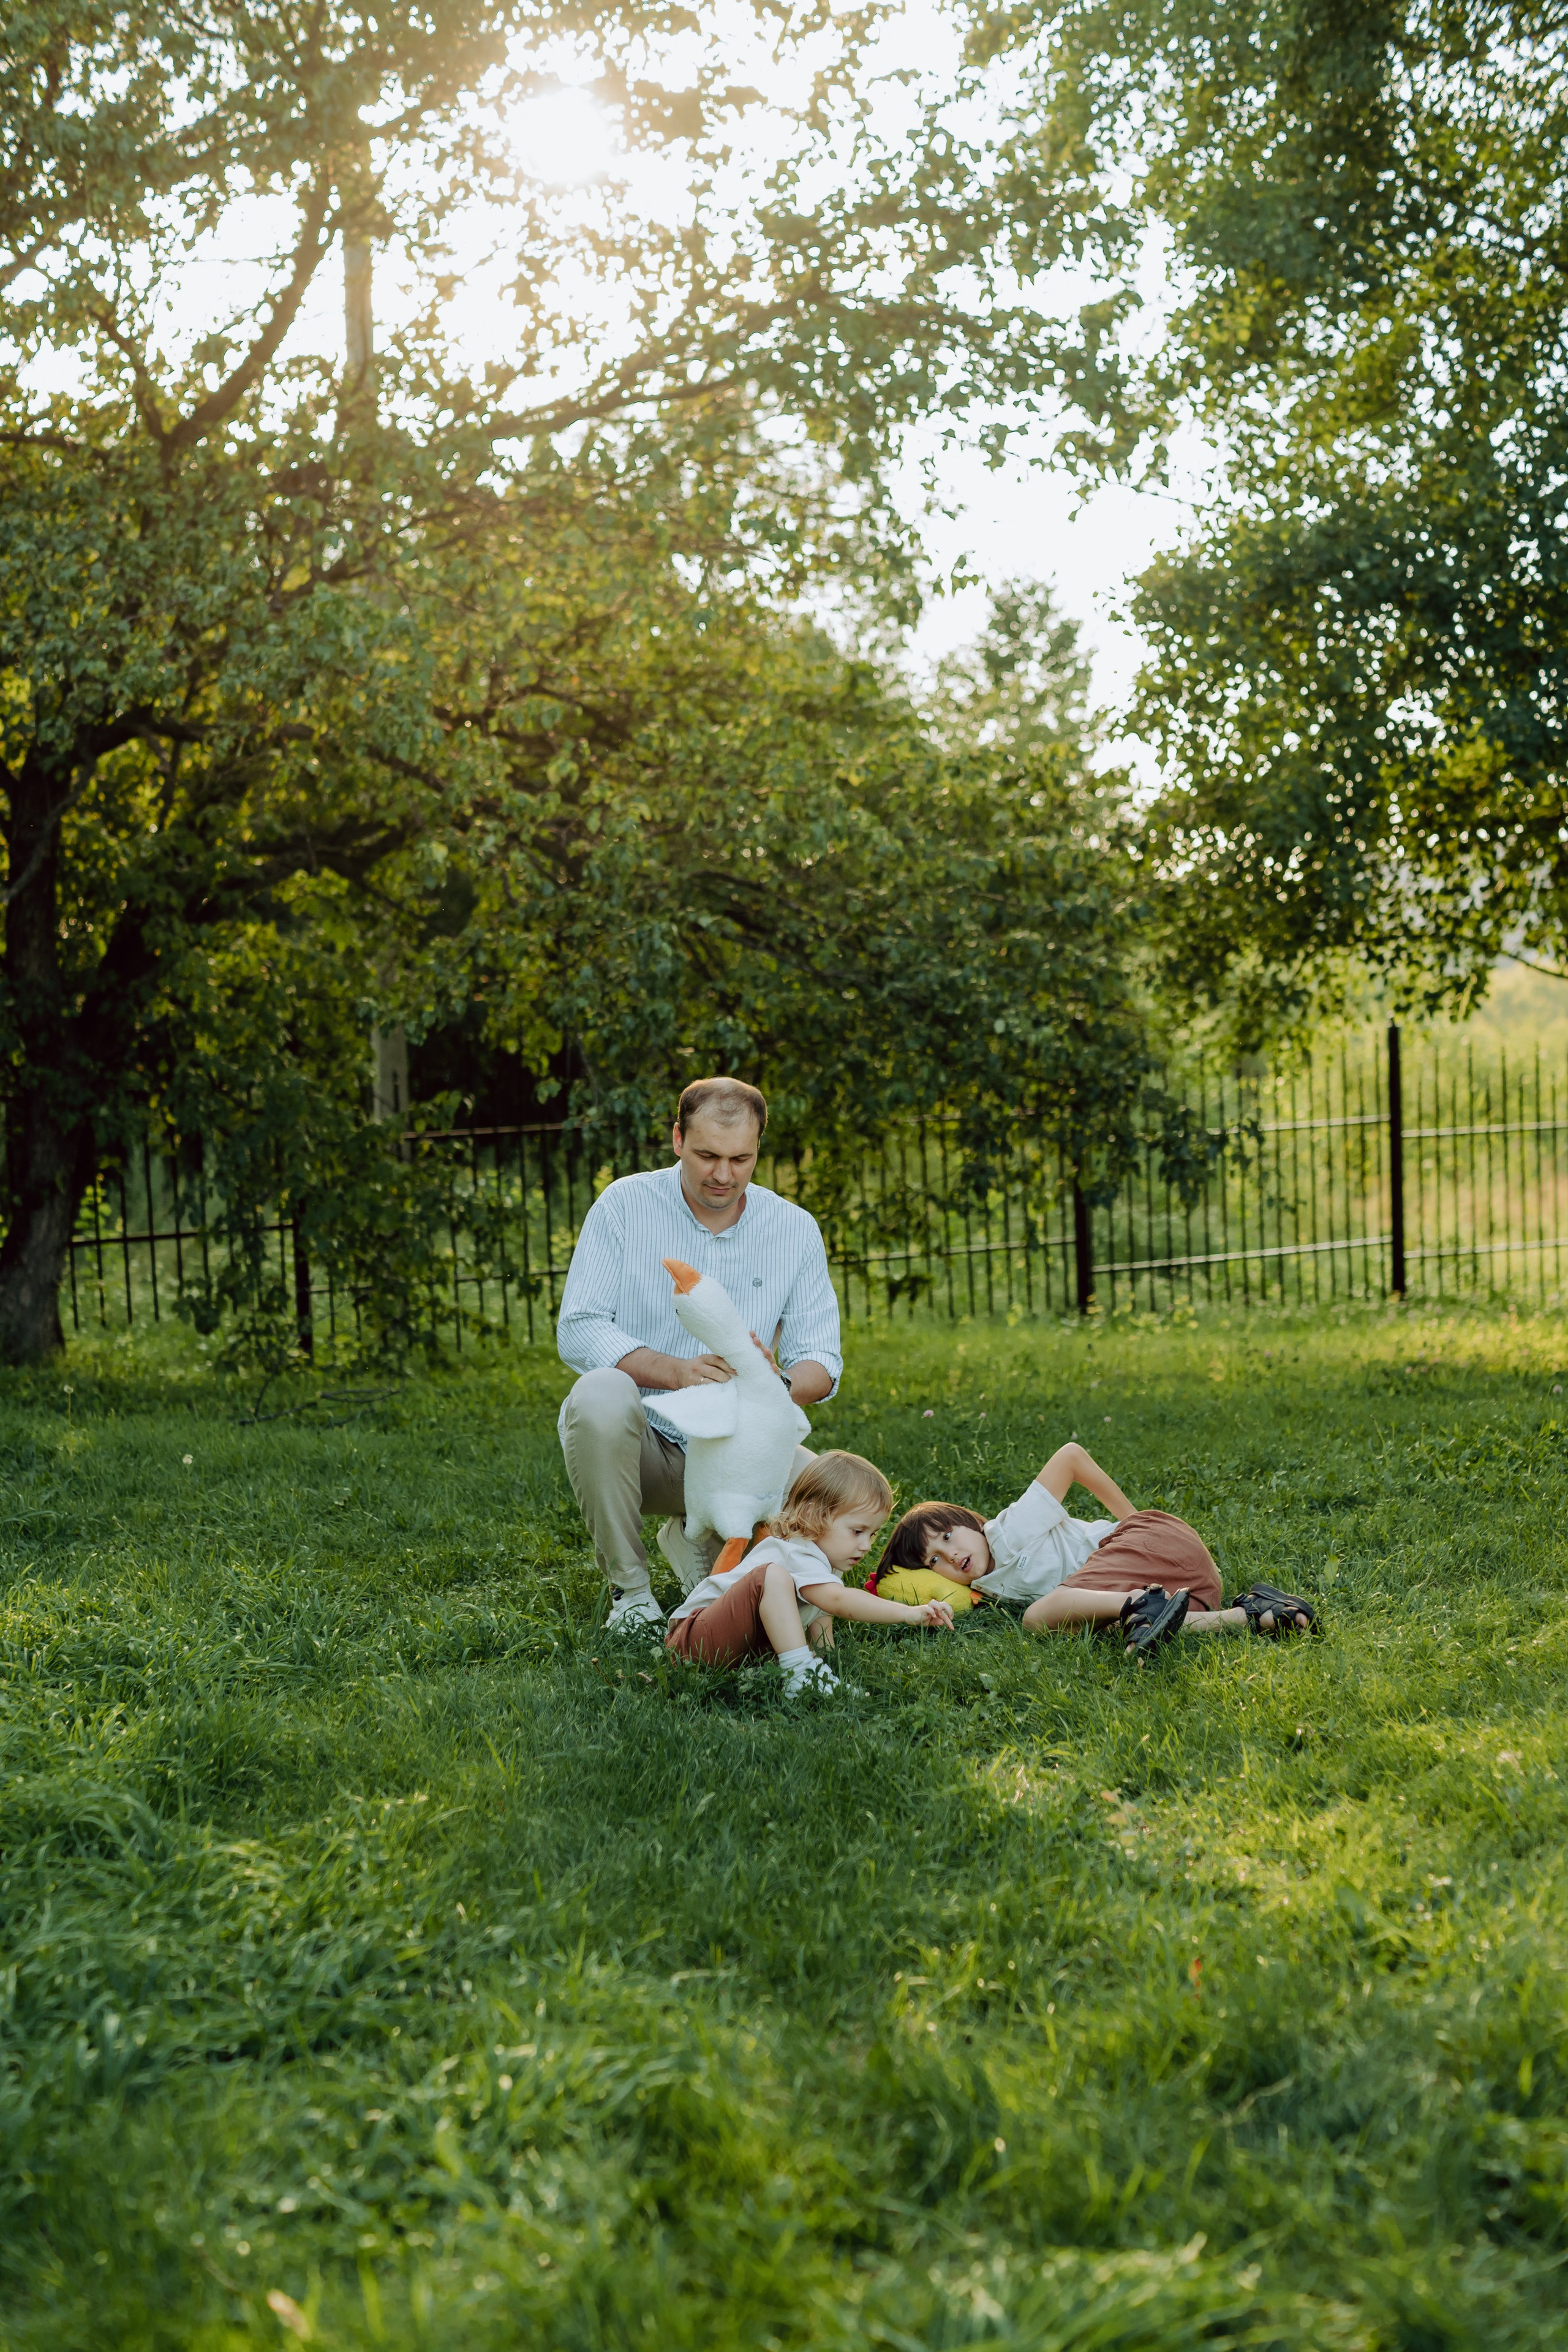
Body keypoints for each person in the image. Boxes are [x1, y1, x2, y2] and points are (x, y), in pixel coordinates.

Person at [556, 1076, 842, 1629]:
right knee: (599, 1394)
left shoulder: (794, 1228)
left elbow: (822, 1362)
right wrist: (678, 1373)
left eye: (742, 1159)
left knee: (832, 1506)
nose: (723, 1175)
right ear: (677, 1139)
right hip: (643, 1446)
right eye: (708, 1154)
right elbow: (580, 1328)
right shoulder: (624, 1205)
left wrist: (770, 1387)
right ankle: (631, 1593)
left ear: (759, 1149)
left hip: (741, 1450)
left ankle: (694, 1540)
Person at [878, 1441, 1317, 1657]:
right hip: (1185, 1585)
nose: (950, 1555)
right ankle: (1254, 1613)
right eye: (934, 1560)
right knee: (1092, 1628)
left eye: (949, 1536)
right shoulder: (984, 1589)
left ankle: (1140, 1605)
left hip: (1150, 1543)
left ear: (972, 1523)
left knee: (1038, 1618)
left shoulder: (1005, 1533)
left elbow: (1070, 1456)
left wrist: (1133, 1520)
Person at [665, 1450, 956, 1694]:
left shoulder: (825, 1565)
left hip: (730, 1650)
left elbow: (822, 1620)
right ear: (814, 1515)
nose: (866, 1545)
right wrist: (910, 1613)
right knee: (773, 1576)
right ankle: (800, 1672)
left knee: (804, 1597)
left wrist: (825, 1659)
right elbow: (838, 1602)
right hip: (694, 1642)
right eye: (857, 1531)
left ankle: (804, 1671)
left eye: (873, 1534)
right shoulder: (795, 1551)